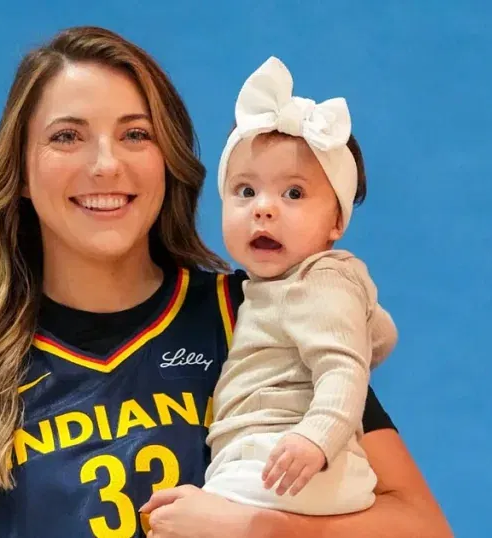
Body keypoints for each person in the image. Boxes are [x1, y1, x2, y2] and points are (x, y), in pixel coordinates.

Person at [0, 26, 452, 538]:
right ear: (18, 168)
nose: (105, 164)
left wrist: (258, 528)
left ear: (170, 160)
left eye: (135, 134)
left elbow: (421, 526)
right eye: (67, 136)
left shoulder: (258, 311)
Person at [201, 56, 398, 517]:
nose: (263, 209)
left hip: (286, 459)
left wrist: (316, 437)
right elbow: (381, 336)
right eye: (245, 191)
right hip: (287, 461)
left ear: (336, 221)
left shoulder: (319, 279)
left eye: (293, 193)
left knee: (189, 520)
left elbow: (344, 367)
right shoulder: (293, 287)